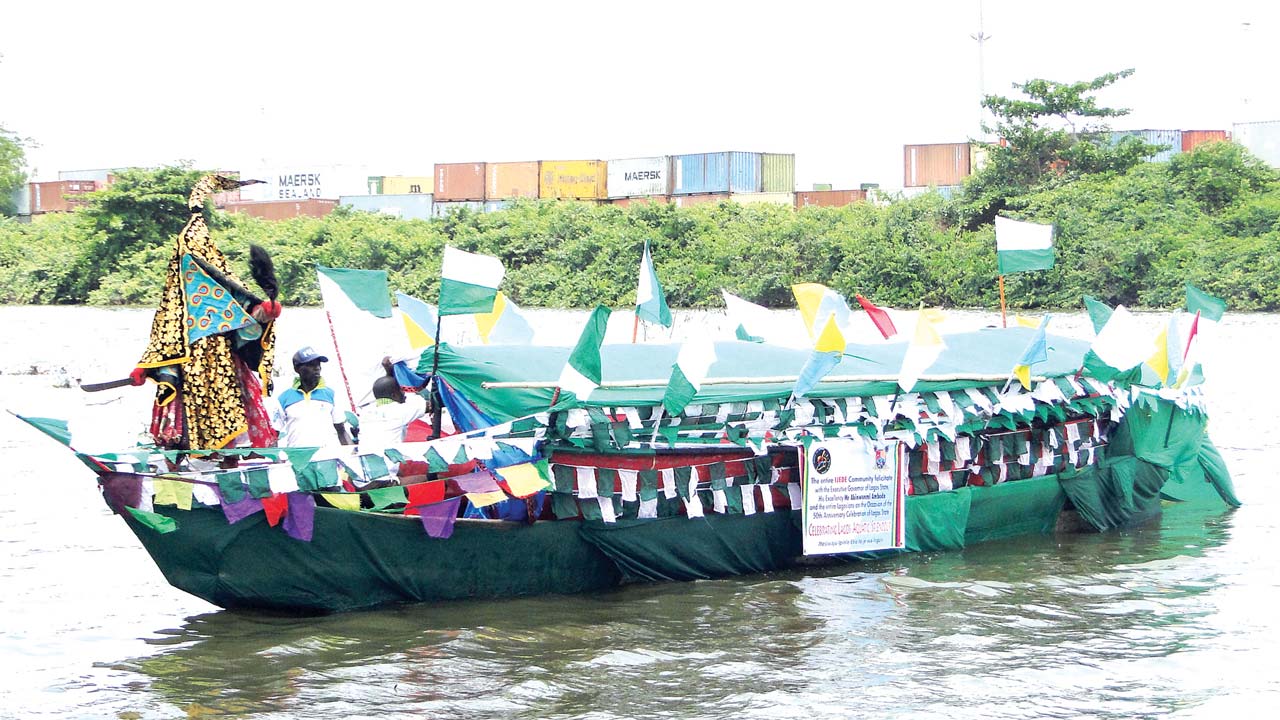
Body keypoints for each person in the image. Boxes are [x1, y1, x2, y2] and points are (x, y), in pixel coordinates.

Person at [131, 173, 281, 451]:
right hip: (187, 363)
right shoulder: (175, 294)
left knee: (231, 413)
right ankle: (180, 462)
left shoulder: (222, 279)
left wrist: (264, 312)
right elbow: (166, 339)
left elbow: (246, 314)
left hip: (223, 358)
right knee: (179, 423)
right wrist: (145, 367)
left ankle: (230, 460)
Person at [270, 347, 351, 448]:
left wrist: (353, 457)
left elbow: (342, 432)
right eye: (311, 365)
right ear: (297, 368)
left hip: (328, 458)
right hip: (298, 460)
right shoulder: (284, 399)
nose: (317, 368)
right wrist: (275, 460)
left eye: (318, 364)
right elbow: (273, 435)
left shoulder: (330, 395)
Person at [357, 357, 429, 452]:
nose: (403, 394)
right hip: (390, 463)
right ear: (394, 395)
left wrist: (390, 372)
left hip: (368, 462)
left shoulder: (365, 412)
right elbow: (429, 405)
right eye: (401, 391)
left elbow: (388, 387)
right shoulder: (400, 411)